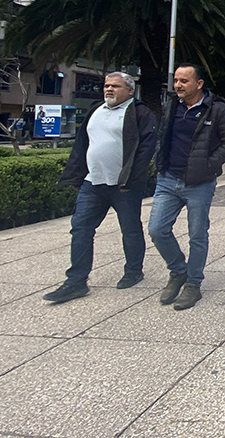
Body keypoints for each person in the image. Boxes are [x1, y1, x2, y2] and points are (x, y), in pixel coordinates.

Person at [44, 72, 157, 304]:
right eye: (106, 85)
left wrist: (133, 182)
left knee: (130, 229)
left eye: (115, 86)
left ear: (130, 90)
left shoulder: (140, 113)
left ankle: (133, 271)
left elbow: (145, 152)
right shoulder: (95, 110)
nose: (109, 89)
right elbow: (81, 145)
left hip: (123, 186)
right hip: (92, 183)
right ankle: (76, 282)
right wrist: (76, 178)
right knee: (80, 229)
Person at [148, 63, 225, 310]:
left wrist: (209, 166)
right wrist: (159, 163)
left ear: (199, 84)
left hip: (199, 182)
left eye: (184, 81)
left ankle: (193, 284)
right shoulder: (172, 106)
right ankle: (178, 271)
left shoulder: (217, 109)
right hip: (168, 179)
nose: (178, 85)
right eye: (176, 80)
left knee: (197, 235)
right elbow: (163, 137)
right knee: (157, 230)